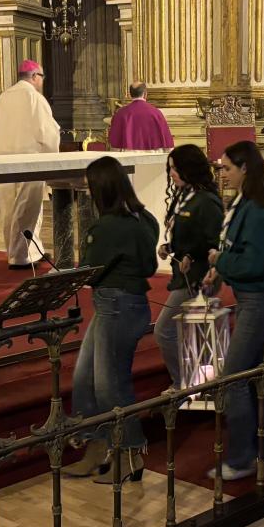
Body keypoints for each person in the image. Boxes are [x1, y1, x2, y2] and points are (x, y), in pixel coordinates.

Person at [62, 156, 160, 482]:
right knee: (84, 377)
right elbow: (147, 265)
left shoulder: (107, 227)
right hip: (125, 305)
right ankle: (97, 446)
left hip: (116, 306)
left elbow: (90, 269)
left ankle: (129, 453)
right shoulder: (143, 218)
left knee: (110, 385)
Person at [204, 141, 264, 480]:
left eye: (227, 168)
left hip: (258, 299)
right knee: (255, 379)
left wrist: (220, 260)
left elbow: (256, 261)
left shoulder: (256, 209)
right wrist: (219, 269)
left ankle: (241, 459)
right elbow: (239, 250)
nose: (222, 174)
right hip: (250, 298)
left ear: (244, 169)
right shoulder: (246, 203)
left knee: (232, 380)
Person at [153, 144, 223, 389]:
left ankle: (184, 383)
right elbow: (189, 234)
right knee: (197, 335)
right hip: (184, 274)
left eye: (175, 168)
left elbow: (215, 244)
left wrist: (192, 255)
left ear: (189, 168)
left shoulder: (207, 201)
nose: (171, 173)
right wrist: (170, 247)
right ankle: (202, 386)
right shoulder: (184, 195)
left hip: (200, 276)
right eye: (170, 168)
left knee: (164, 331)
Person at [0, 60, 60, 268]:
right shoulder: (34, 98)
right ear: (35, 76)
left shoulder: (4, 97)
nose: (42, 81)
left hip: (4, 160)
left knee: (9, 209)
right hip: (30, 161)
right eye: (41, 77)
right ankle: (21, 257)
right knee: (28, 209)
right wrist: (52, 159)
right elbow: (48, 132)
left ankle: (25, 251)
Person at [107, 82, 174, 151]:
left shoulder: (120, 113)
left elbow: (114, 145)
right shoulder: (156, 113)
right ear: (145, 94)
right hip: (152, 156)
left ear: (130, 95)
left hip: (128, 155)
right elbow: (167, 144)